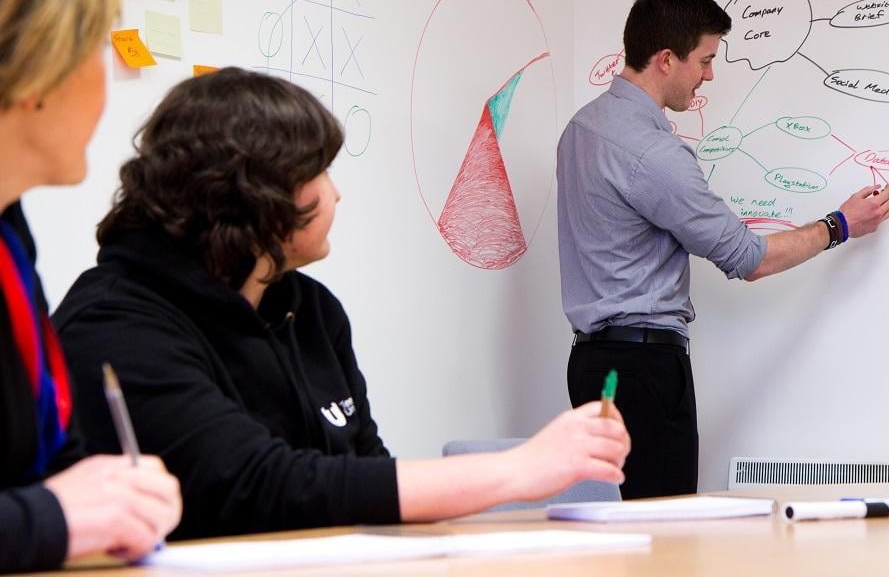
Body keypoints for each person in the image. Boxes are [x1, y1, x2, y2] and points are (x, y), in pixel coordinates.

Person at [53, 67, 630, 540]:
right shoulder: (117, 323)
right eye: (319, 172)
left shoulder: (311, 310)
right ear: (256, 195)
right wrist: (517, 471)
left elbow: (363, 469)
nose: (336, 192)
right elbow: (262, 485)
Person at [557, 0, 889, 500]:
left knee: (618, 536)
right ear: (666, 59)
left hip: (590, 367)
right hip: (643, 374)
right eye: (705, 59)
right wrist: (840, 225)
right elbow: (748, 258)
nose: (709, 75)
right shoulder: (652, 154)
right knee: (663, 542)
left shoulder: (579, 131)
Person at [0, 0, 182, 571]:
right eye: (100, 47)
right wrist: (53, 516)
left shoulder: (10, 237)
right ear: (37, 62)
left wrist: (111, 497)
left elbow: (47, 463)